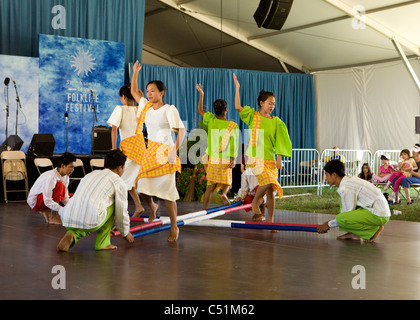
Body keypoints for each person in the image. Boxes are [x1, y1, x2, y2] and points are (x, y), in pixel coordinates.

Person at [129, 61, 186, 242]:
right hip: (150, 150)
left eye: (153, 90)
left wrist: (173, 151)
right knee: (141, 185)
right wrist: (135, 73)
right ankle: (152, 207)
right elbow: (133, 92)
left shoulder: (169, 110)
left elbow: (182, 131)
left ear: (161, 93)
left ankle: (174, 227)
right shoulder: (146, 107)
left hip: (165, 151)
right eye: (147, 91)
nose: (149, 94)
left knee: (168, 193)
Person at [233, 73, 292, 223]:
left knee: (271, 190)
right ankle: (255, 201)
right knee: (267, 182)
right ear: (261, 103)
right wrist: (237, 88)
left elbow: (281, 141)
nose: (272, 106)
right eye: (269, 103)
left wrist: (279, 159)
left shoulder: (277, 122)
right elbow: (238, 107)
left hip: (270, 159)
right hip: (255, 156)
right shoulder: (253, 116)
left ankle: (271, 221)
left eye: (273, 104)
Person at [57, 150, 134, 251]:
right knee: (115, 204)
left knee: (88, 214)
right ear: (120, 168)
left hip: (67, 217)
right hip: (91, 220)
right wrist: (125, 232)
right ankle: (102, 243)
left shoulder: (91, 174)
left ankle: (72, 235)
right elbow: (121, 211)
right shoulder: (118, 182)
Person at [317, 160, 390, 242]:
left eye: (326, 175)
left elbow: (347, 215)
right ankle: (357, 233)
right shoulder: (347, 181)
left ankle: (373, 230)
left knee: (341, 218)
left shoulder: (346, 187)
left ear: (334, 175)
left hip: (379, 214)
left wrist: (328, 224)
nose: (325, 178)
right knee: (342, 213)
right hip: (375, 210)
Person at [196, 83, 239, 209]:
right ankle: (224, 193)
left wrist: (201, 94)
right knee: (227, 182)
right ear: (226, 110)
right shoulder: (233, 126)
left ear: (214, 111)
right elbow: (234, 144)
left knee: (210, 186)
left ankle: (204, 210)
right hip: (225, 160)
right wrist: (233, 159)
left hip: (213, 160)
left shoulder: (211, 120)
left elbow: (200, 110)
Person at [107, 84, 145, 217]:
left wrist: (113, 149)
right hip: (140, 148)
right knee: (130, 179)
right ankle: (139, 206)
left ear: (123, 97)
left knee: (121, 183)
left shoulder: (120, 109)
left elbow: (113, 129)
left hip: (129, 149)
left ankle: (118, 215)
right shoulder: (139, 109)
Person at [27, 152, 76, 224]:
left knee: (74, 197)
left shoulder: (66, 177)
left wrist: (72, 209)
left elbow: (65, 198)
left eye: (73, 167)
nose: (73, 169)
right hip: (36, 201)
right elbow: (47, 200)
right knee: (60, 185)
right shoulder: (51, 177)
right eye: (71, 167)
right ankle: (53, 216)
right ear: (63, 166)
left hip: (46, 200)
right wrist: (63, 210)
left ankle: (46, 212)